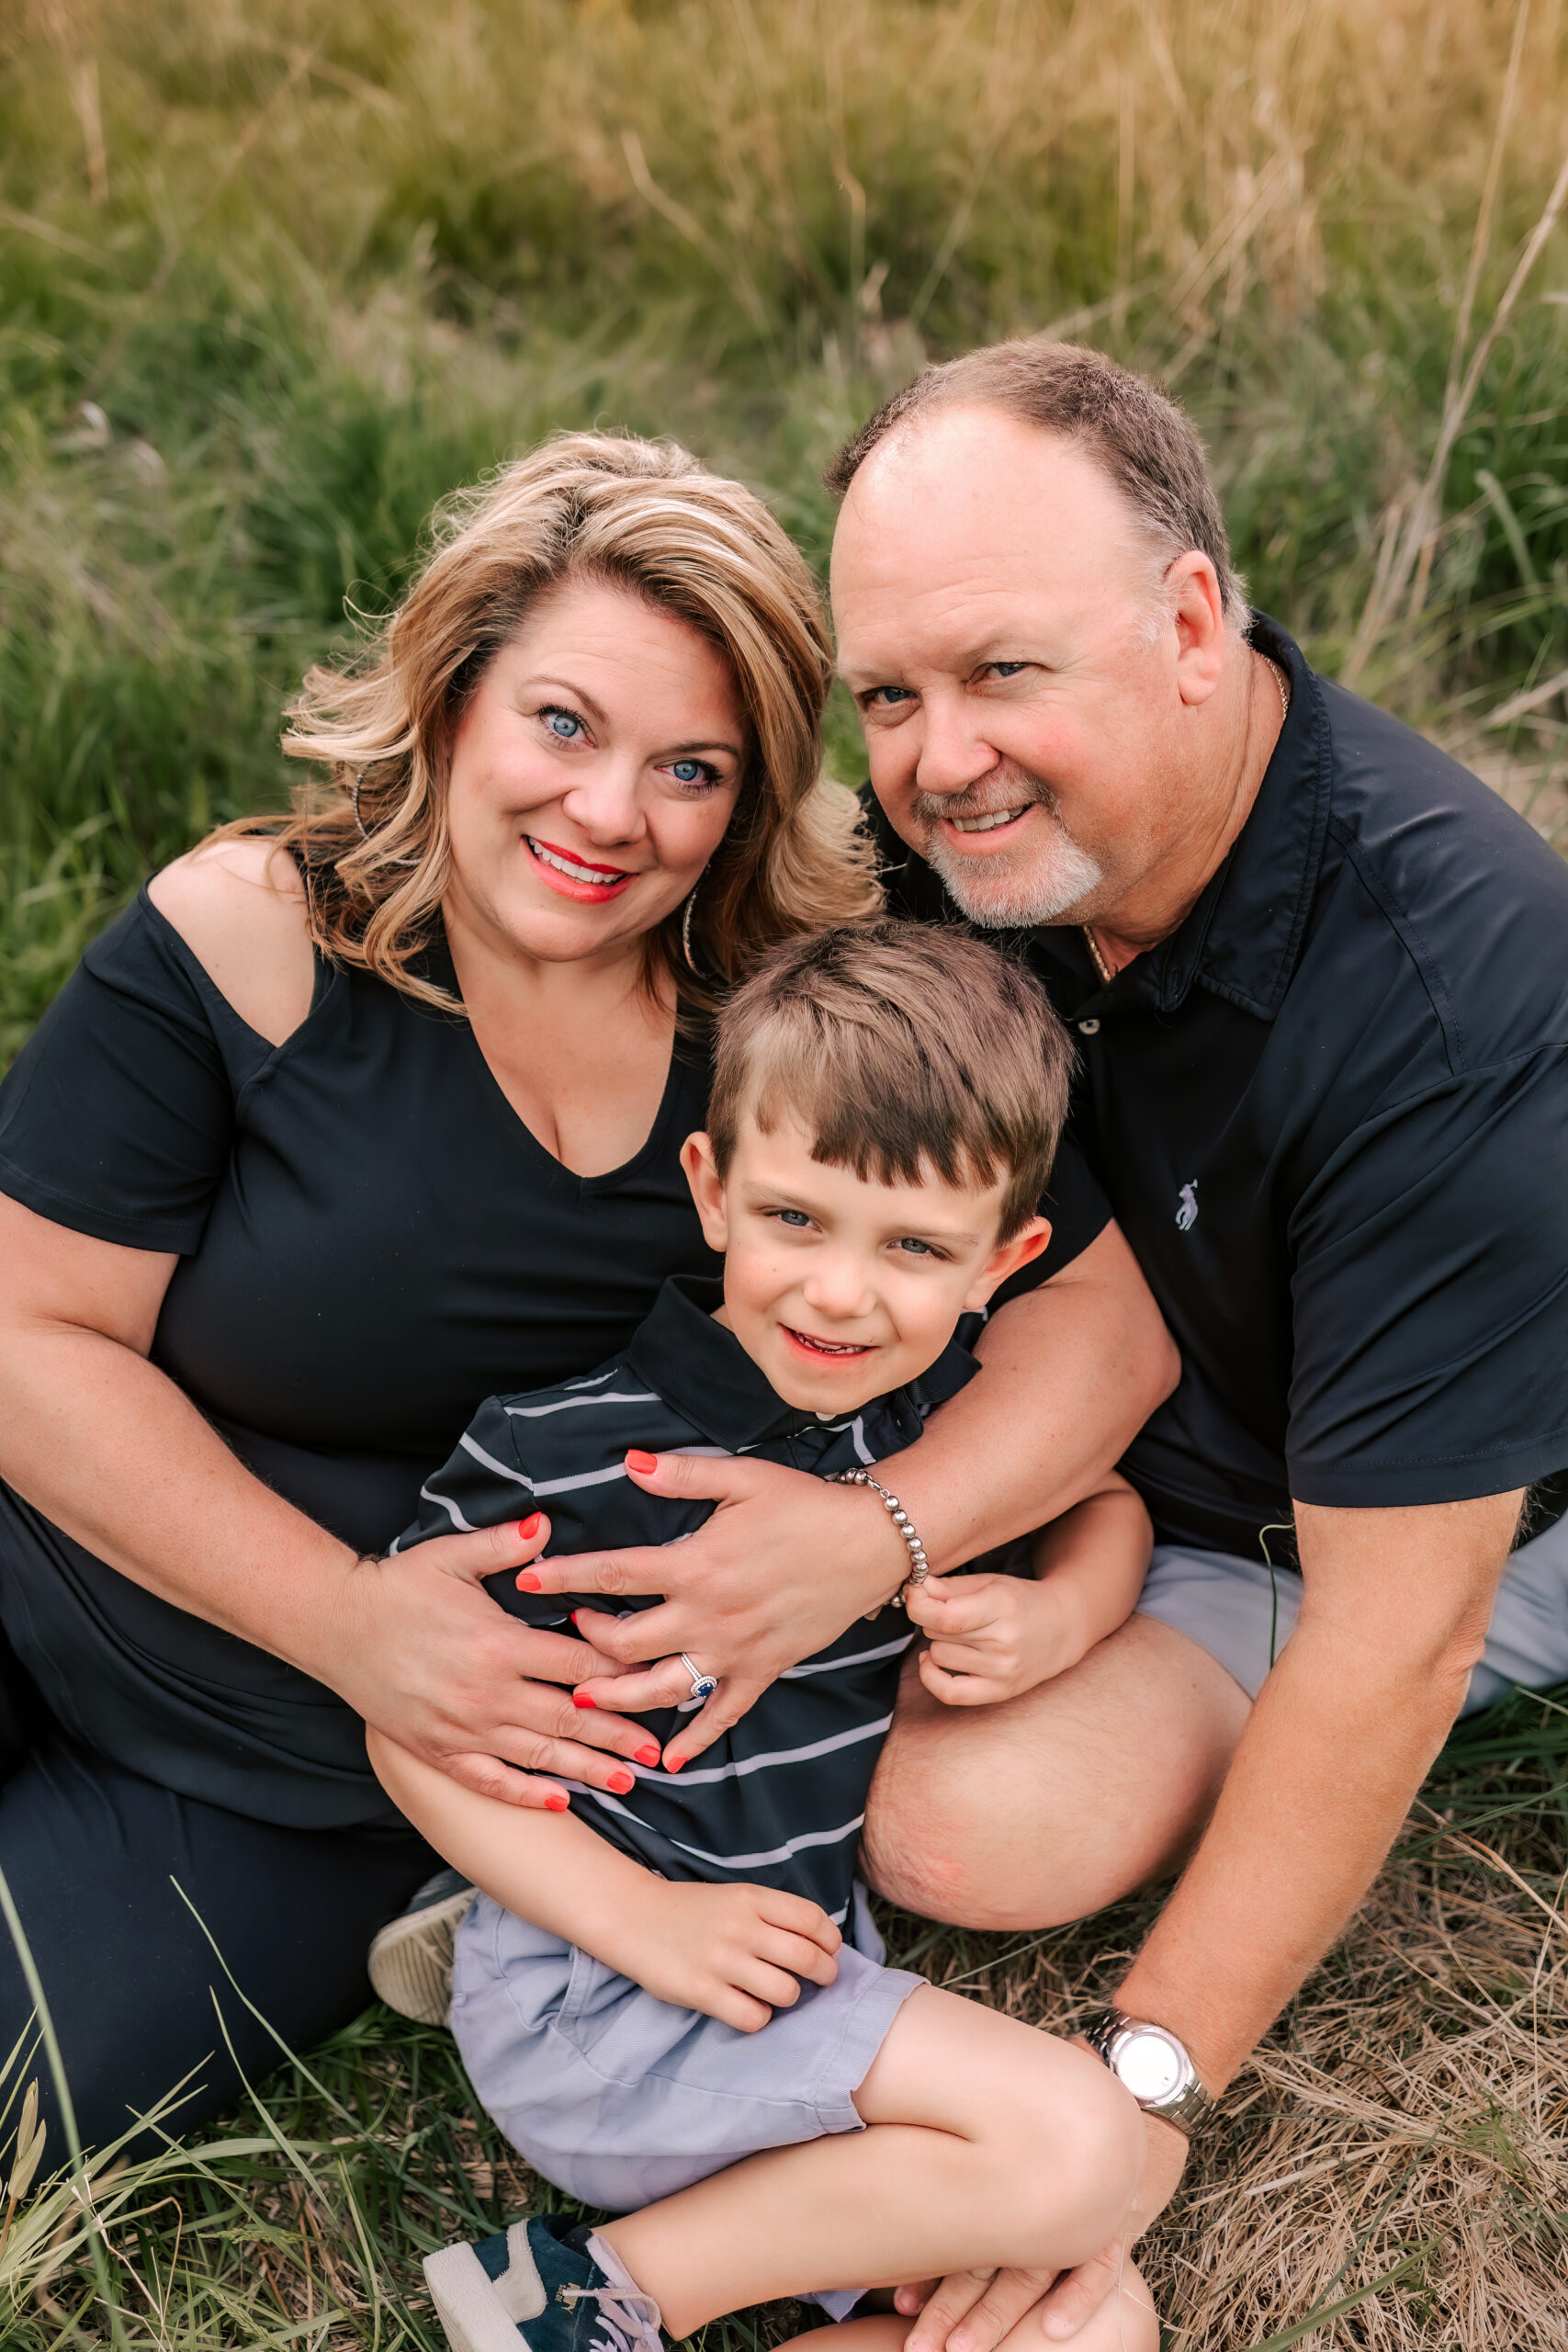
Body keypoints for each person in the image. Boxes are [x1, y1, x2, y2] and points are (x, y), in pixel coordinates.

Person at [523, 341, 1568, 2344]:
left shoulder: (1455, 1003)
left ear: (1190, 623)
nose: (938, 759)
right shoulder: (947, 855)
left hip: (1394, 1524)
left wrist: (1140, 2089)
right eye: (890, 695)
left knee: (966, 1826)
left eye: (1002, 673)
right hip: (1103, 1455)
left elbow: (1388, 1630)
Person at [0, 427, 1172, 2155]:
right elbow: (29, 1337)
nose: (611, 814)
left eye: (691, 769)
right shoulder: (258, 939)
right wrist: (348, 1619)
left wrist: (880, 1536)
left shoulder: (790, 1032)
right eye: (563, 723)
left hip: (365, 1783)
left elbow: (1108, 1321)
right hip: (70, 1574)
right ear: (459, 694)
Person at [369, 923, 1158, 2352]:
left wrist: (1062, 1613)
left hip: (798, 1982)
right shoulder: (579, 1456)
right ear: (713, 1192)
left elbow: (1100, 1502)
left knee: (1083, 2324)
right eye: (798, 1219)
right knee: (1081, 2150)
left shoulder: (935, 1438)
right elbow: (403, 1718)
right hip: (604, 1987)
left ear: (1009, 1258)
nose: (843, 1293)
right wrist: (641, 1923)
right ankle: (576, 2301)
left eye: (916, 1247)